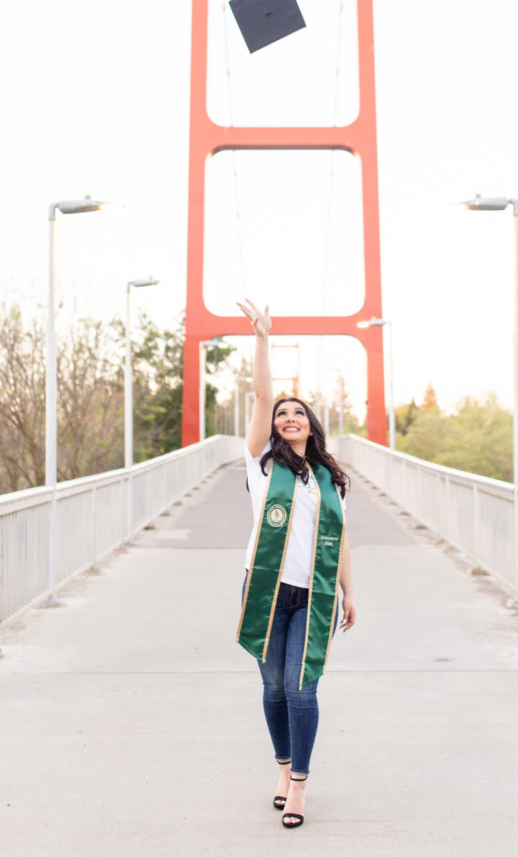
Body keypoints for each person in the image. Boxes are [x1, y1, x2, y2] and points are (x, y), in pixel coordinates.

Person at [236, 298, 356, 830]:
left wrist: (350, 592)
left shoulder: (332, 480)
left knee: (302, 689)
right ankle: (283, 771)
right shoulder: (262, 464)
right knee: (274, 689)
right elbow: (263, 393)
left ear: (311, 424)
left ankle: (300, 786)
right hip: (266, 589)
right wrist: (262, 339)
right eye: (281, 414)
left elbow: (342, 539)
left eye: (297, 413)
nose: (287, 418)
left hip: (315, 594)